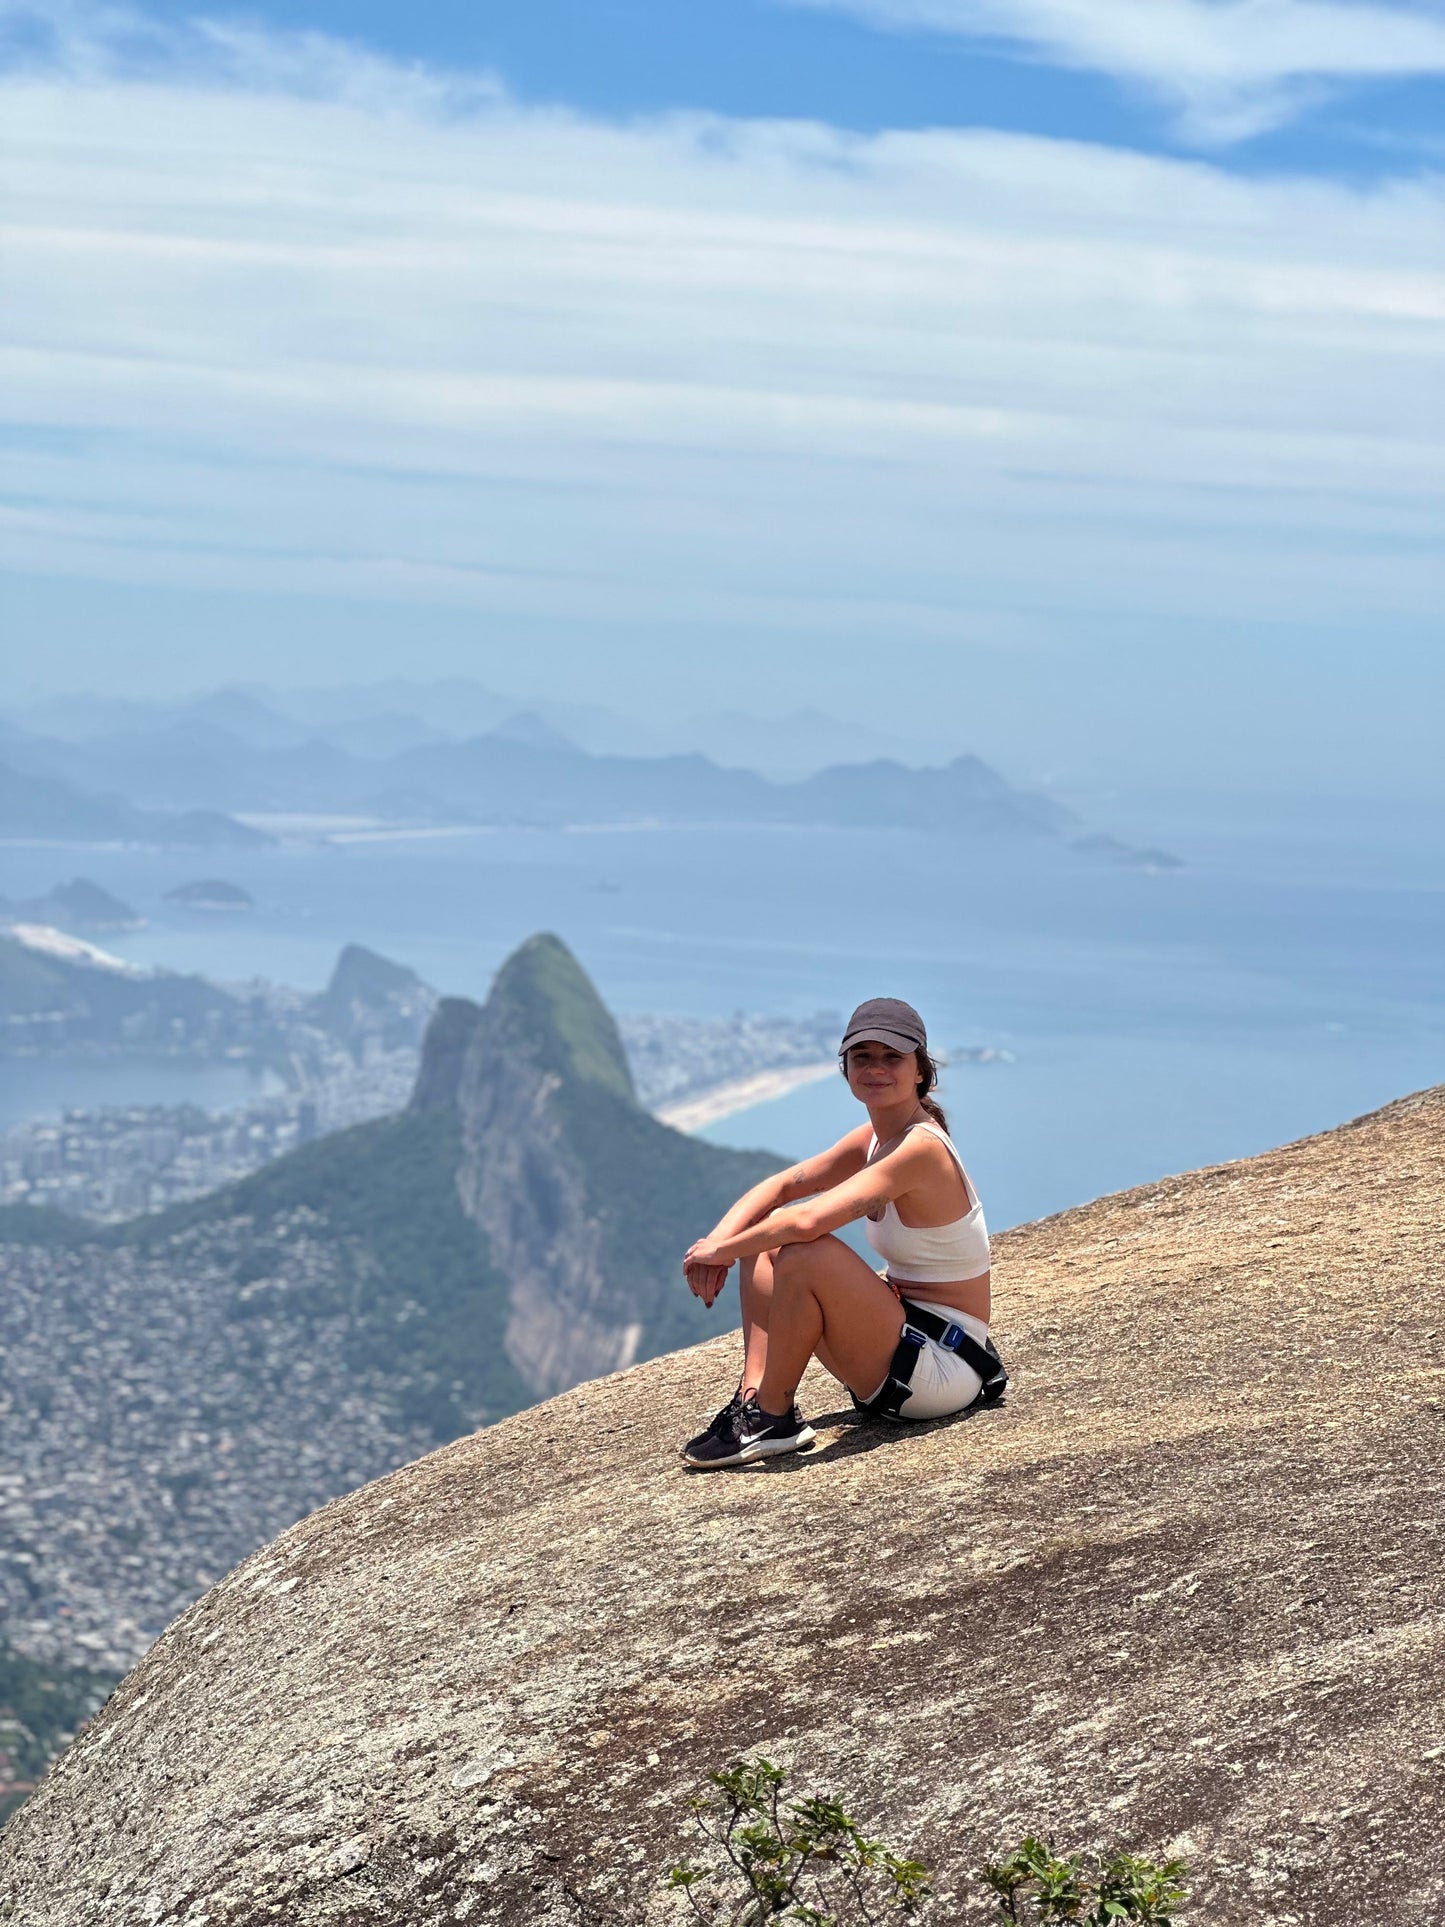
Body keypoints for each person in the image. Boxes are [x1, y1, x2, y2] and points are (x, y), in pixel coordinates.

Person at [680, 996, 1005, 1469]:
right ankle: (758, 1402)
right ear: (845, 1067)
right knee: (765, 1245)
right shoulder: (874, 1139)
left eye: (892, 1057)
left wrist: (720, 1252)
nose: (875, 1068)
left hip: (941, 1367)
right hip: (904, 1345)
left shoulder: (922, 1148)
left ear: (921, 1070)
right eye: (862, 1057)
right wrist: (717, 1244)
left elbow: (807, 1222)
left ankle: (771, 1415)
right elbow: (782, 1187)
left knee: (801, 1250)